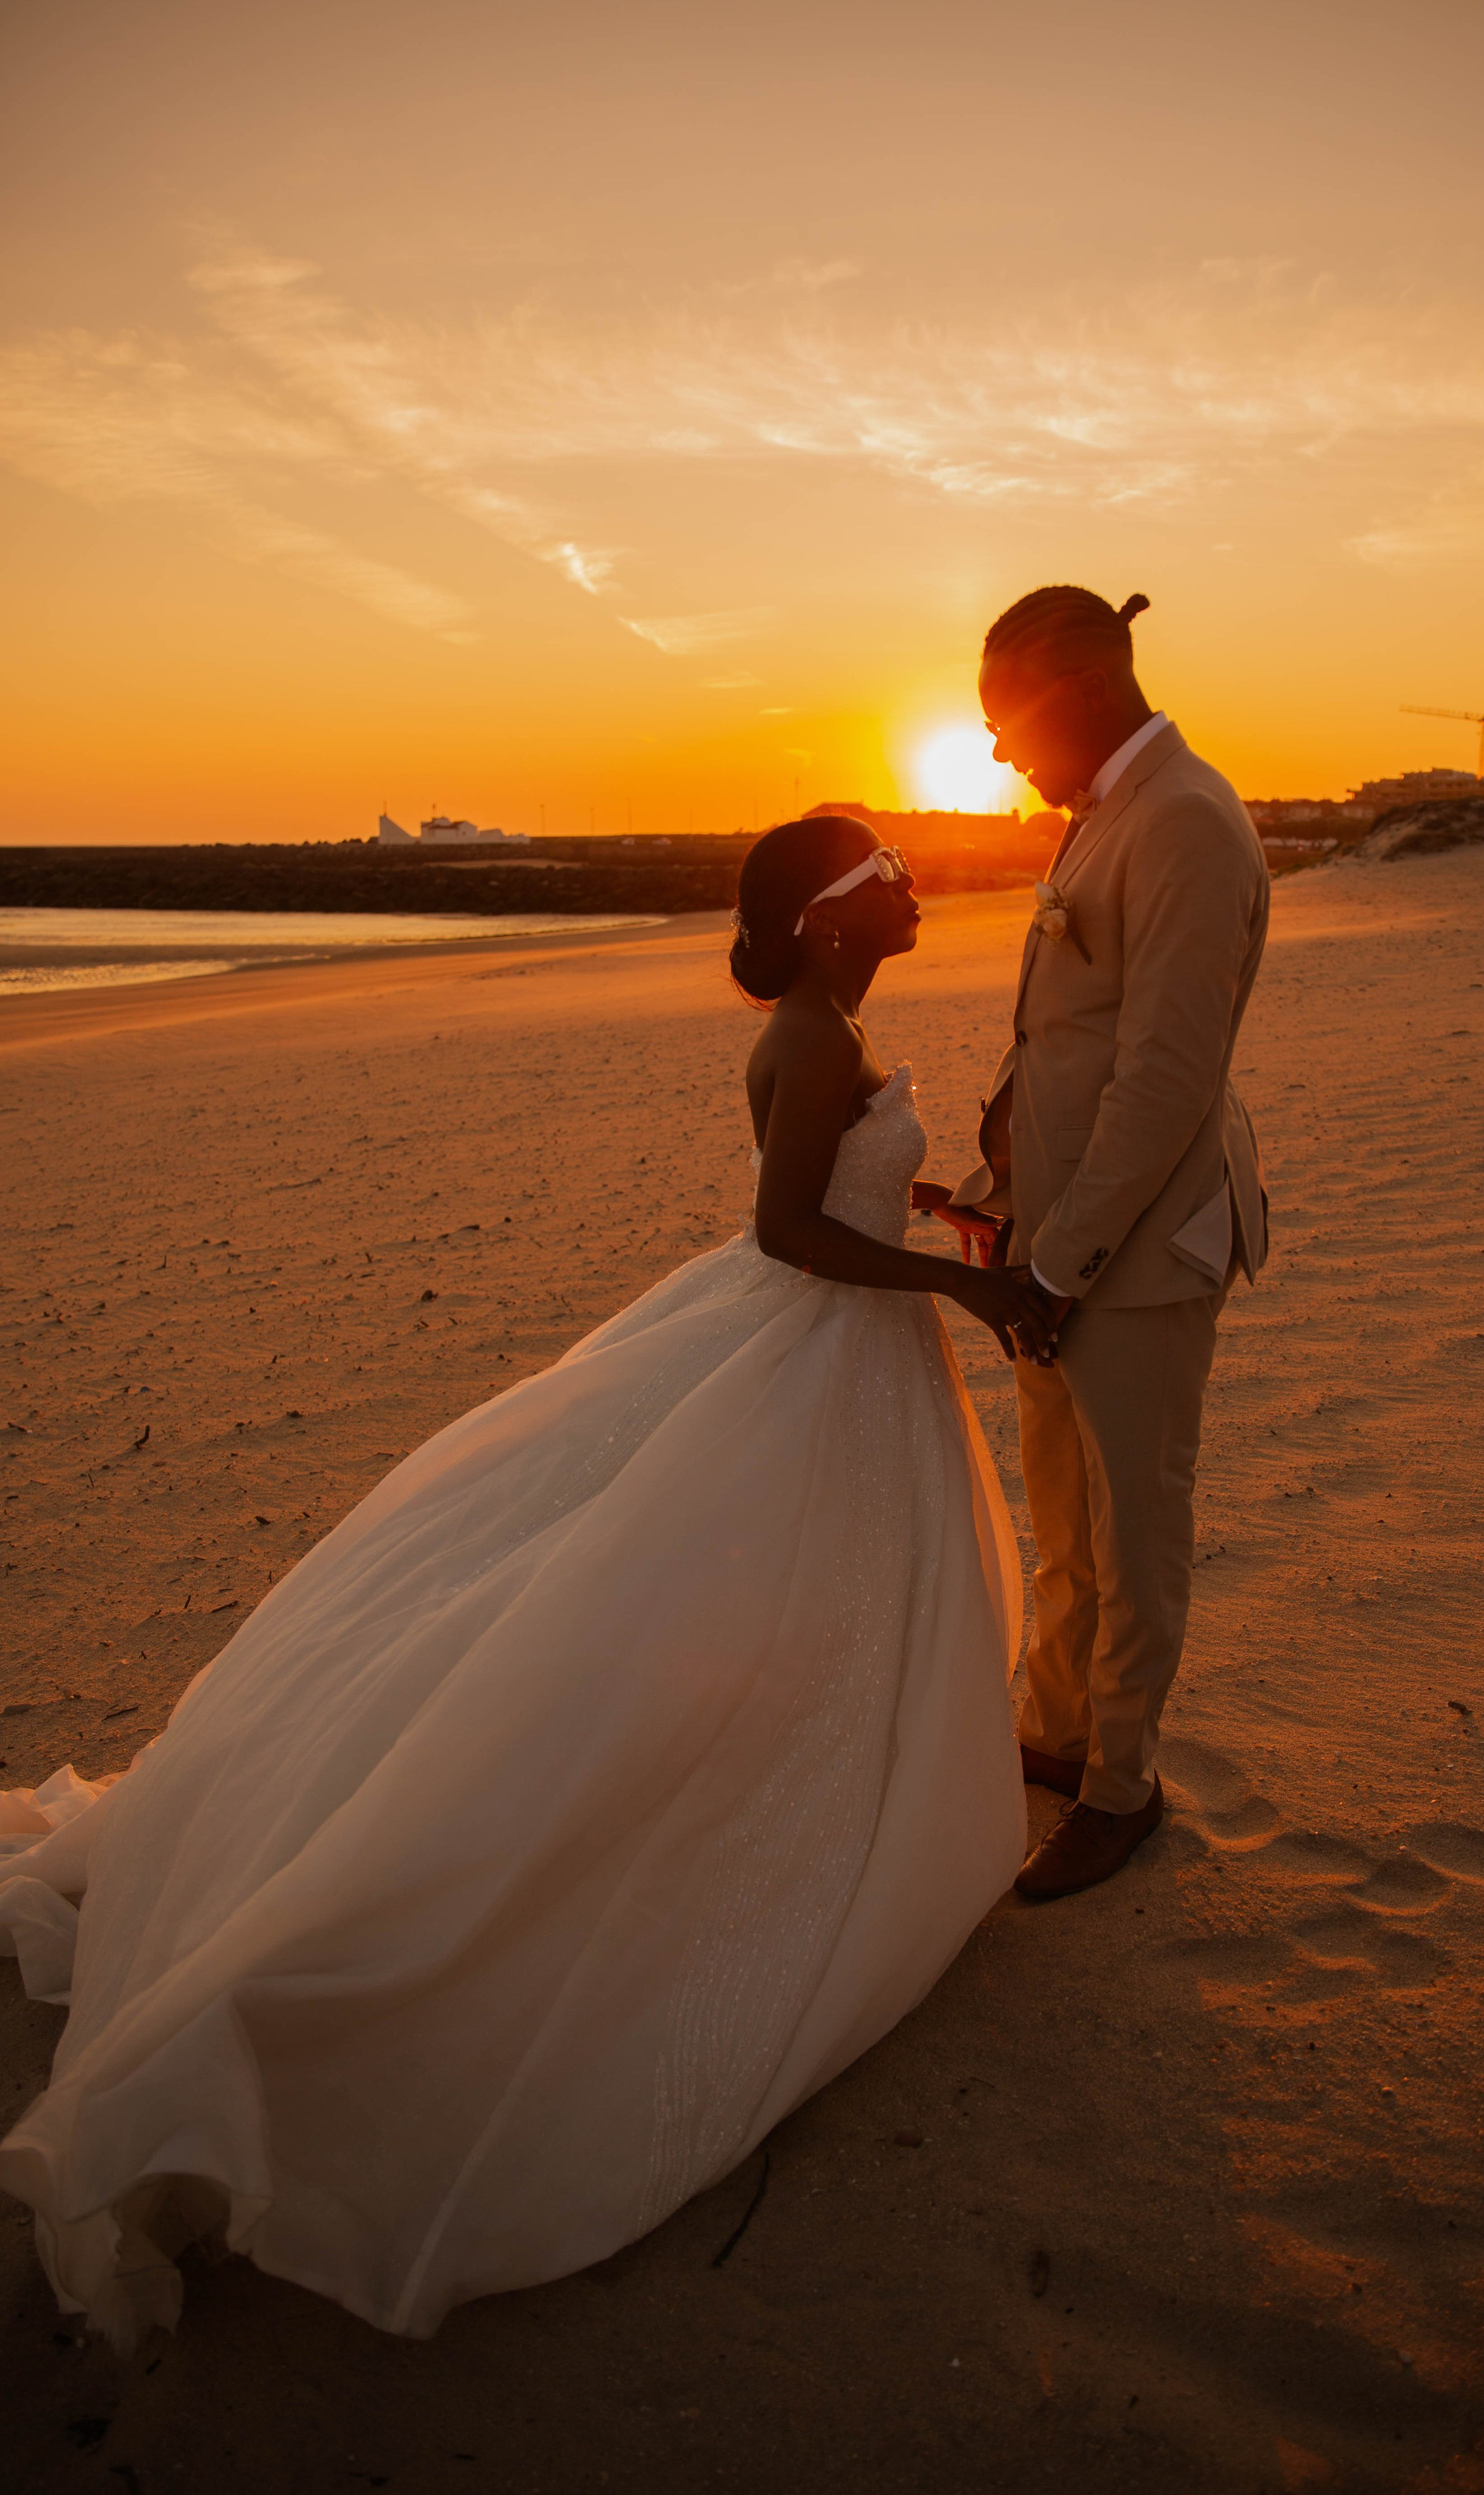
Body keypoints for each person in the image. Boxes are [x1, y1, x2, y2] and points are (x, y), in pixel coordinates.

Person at [0, 814, 1056, 2347]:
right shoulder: (819, 1037)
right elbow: (781, 1236)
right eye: (882, 873)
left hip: (837, 1351)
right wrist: (961, 1282)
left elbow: (828, 1197)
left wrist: (928, 1211)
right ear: (827, 920)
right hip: (807, 1351)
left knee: (792, 1603)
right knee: (686, 1606)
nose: (909, 886)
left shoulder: (833, 1020)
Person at [947, 586, 1269, 1902]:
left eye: (1003, 726)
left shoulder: (1185, 824)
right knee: (1064, 1519)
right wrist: (995, 1190)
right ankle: (1062, 1731)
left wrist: (1057, 1261)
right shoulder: (1101, 819)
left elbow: (1164, 1083)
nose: (999, 755)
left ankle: (1123, 1788)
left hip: (1132, 1254)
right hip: (1052, 1241)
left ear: (1073, 695)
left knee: (1135, 1530)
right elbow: (1065, 1049)